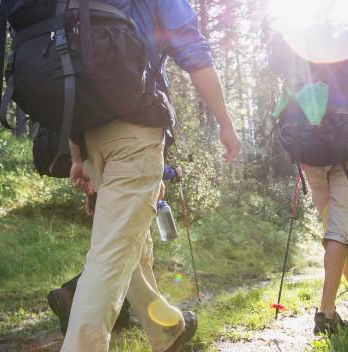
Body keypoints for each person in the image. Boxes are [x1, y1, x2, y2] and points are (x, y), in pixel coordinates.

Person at [62, 1, 241, 351]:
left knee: (133, 243)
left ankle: (166, 328)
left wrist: (77, 153)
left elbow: (70, 69)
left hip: (88, 132)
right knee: (111, 253)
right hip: (135, 131)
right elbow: (194, 51)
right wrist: (225, 122)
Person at [268, 34, 348, 334]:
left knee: (332, 230)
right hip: (346, 159)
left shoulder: (296, 70)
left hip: (311, 162)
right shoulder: (347, 67)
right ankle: (326, 313)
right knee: (338, 231)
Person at [47, 165, 184, 336]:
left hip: (108, 197)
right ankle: (71, 294)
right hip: (124, 200)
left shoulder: (96, 138)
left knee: (118, 258)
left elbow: (102, 162)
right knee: (124, 261)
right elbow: (140, 159)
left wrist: (91, 195)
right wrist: (172, 172)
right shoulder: (133, 141)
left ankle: (119, 318)